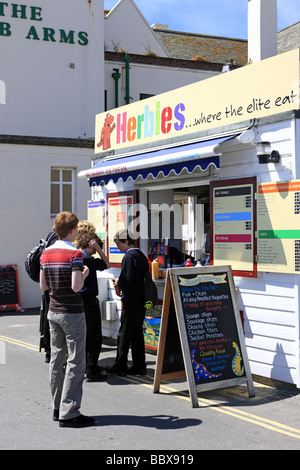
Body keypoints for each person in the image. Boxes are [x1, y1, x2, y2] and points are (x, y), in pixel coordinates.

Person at [40, 211, 94, 428]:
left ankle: (57, 407)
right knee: (75, 361)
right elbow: (76, 286)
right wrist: (85, 273)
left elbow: (44, 286)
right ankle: (70, 411)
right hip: (72, 312)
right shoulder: (75, 254)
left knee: (56, 360)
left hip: (53, 312)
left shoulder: (46, 254)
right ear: (73, 230)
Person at [105, 229, 148, 377]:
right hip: (141, 300)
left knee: (124, 334)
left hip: (131, 300)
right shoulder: (141, 255)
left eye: (118, 243)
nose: (117, 247)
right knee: (136, 334)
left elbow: (127, 279)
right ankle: (139, 365)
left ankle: (120, 365)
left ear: (126, 241)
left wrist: (119, 282)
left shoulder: (129, 257)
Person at [75, 221, 111, 382]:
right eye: (94, 250)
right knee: (94, 335)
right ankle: (92, 369)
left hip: (76, 300)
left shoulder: (75, 256)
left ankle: (81, 366)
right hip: (88, 300)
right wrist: (99, 249)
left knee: (80, 335)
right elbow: (107, 263)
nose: (95, 253)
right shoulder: (87, 259)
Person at [40, 230, 58, 363]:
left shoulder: (50, 235)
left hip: (47, 281)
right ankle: (51, 350)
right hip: (55, 283)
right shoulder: (57, 239)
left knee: (47, 314)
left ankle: (48, 350)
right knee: (52, 316)